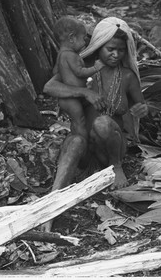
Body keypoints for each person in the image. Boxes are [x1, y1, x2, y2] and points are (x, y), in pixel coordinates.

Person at [42, 17, 148, 231]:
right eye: (110, 49)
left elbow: (143, 105)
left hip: (110, 147)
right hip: (85, 148)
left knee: (102, 123)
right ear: (99, 45)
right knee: (74, 141)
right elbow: (49, 88)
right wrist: (84, 92)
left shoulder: (127, 76)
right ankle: (50, 207)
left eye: (120, 50)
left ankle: (116, 167)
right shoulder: (81, 66)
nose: (115, 54)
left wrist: (142, 110)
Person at [53, 16, 104, 138]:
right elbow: (80, 72)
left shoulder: (61, 55)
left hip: (68, 96)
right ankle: (82, 141)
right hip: (71, 98)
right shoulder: (70, 56)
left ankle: (74, 136)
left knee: (76, 121)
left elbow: (55, 71)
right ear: (72, 38)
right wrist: (95, 68)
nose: (85, 41)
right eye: (83, 37)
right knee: (79, 120)